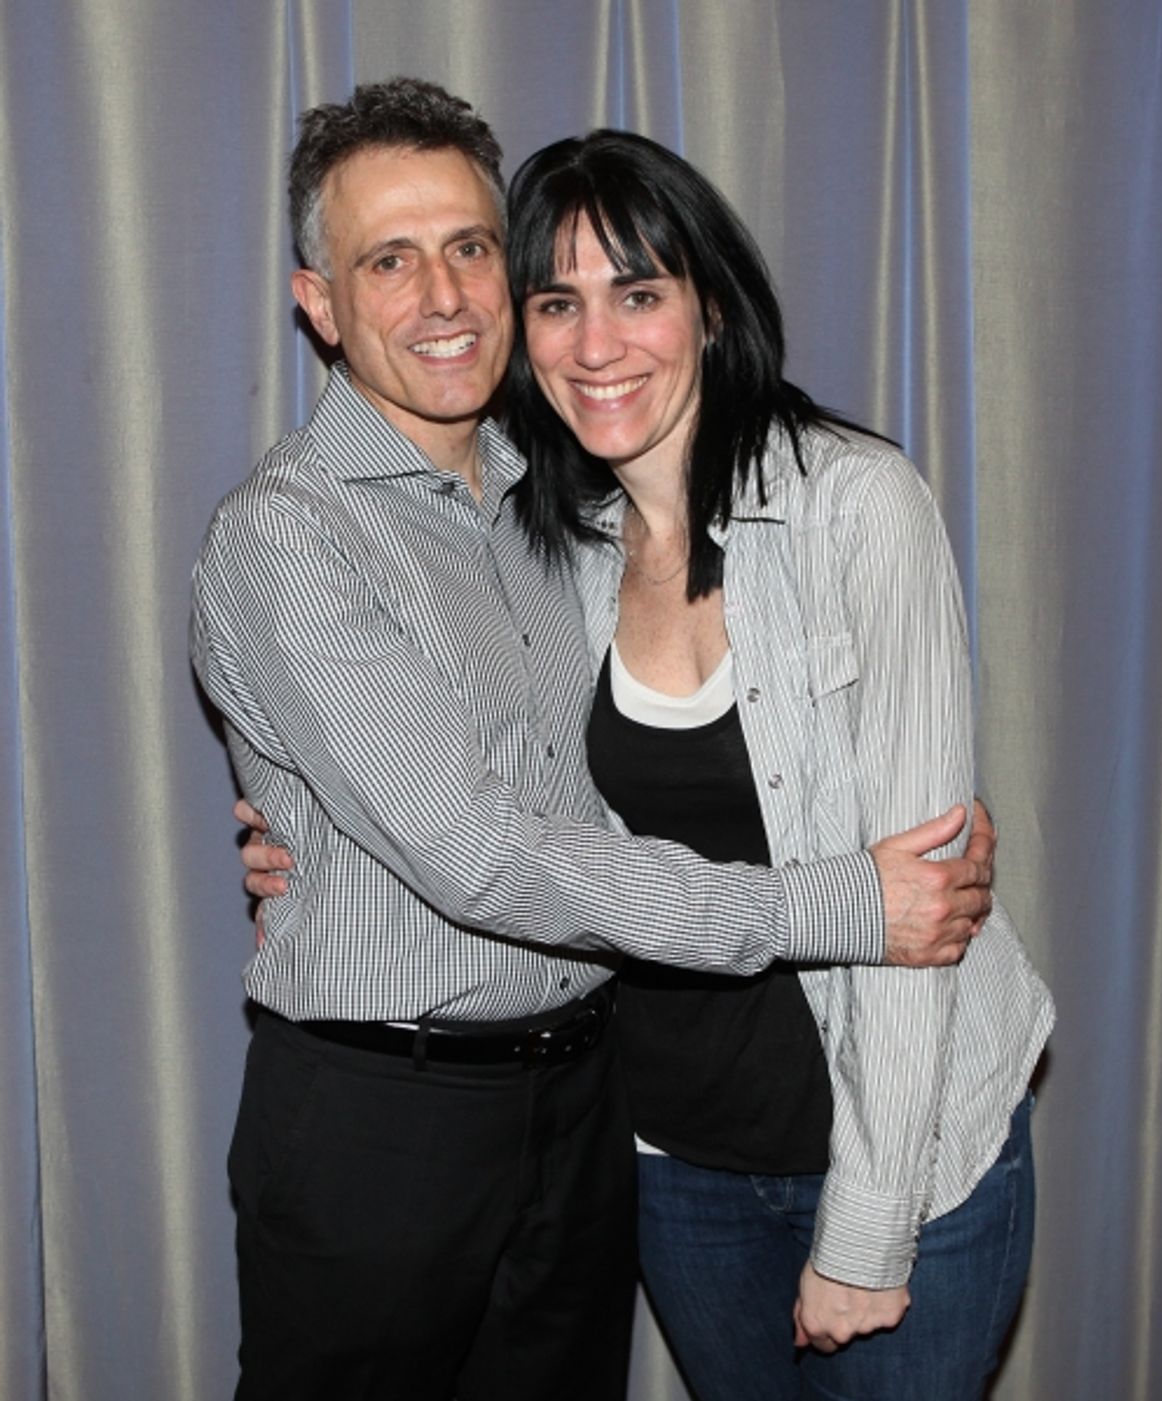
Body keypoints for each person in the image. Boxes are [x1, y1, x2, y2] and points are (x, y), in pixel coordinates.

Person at [195, 78, 995, 1401]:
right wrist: (843, 899)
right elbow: (480, 855)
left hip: (591, 1110)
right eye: (389, 261)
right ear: (319, 304)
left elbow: (620, 784)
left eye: (469, 248)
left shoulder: (554, 499)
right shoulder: (292, 533)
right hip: (388, 1122)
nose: (444, 296)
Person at [499, 129, 1054, 1400]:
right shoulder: (545, 548)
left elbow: (923, 911)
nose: (597, 344)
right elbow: (491, 820)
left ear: (709, 305)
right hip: (674, 1163)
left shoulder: (856, 505)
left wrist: (869, 1228)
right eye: (557, 303)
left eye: (639, 292)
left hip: (908, 1157)